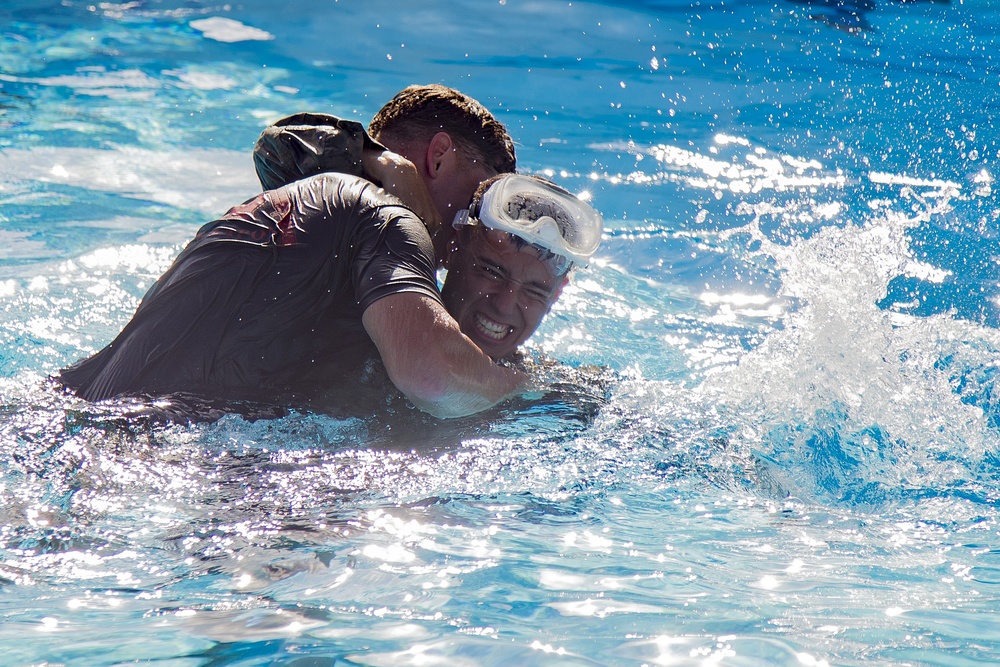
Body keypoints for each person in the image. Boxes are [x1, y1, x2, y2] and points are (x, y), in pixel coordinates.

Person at [57, 86, 603, 420]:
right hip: (130, 448)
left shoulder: (331, 216)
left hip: (75, 420)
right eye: (475, 202)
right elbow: (432, 375)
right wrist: (529, 387)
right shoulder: (384, 218)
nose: (467, 231)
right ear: (437, 159)